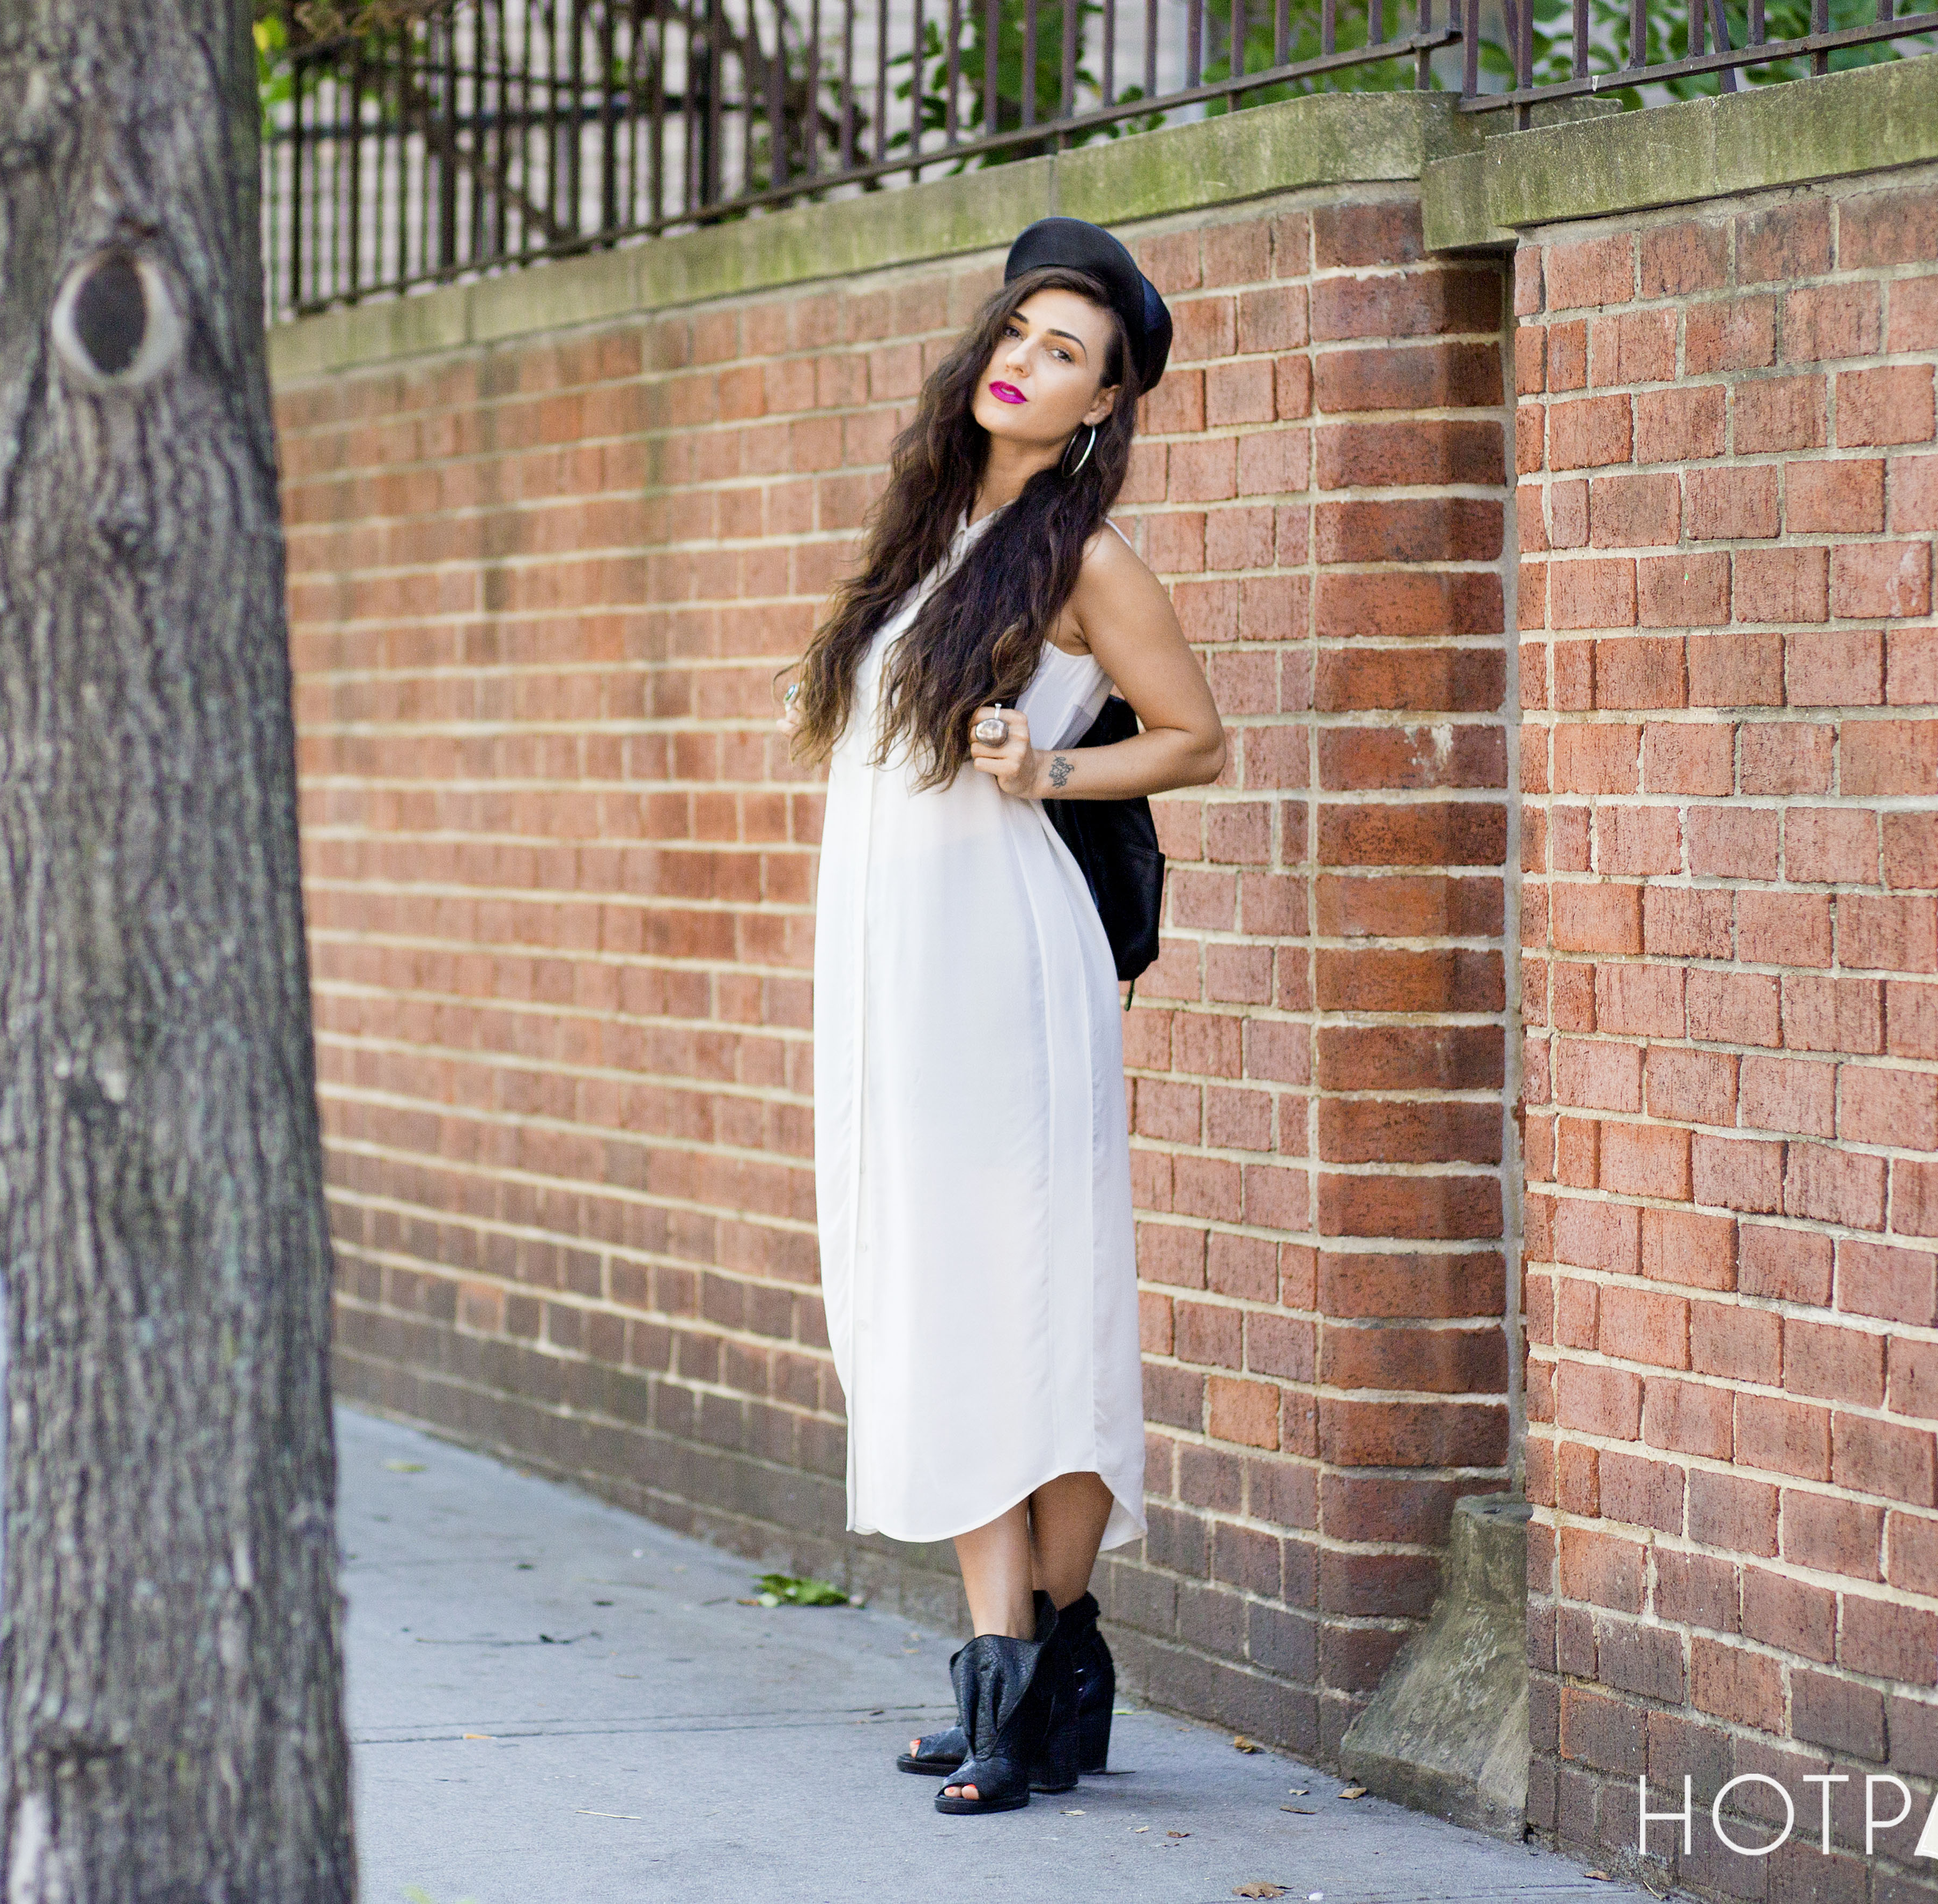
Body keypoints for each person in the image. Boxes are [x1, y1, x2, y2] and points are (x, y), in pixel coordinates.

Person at [776, 218, 1226, 1816]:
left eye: (1064, 354)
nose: (1021, 363)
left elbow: (1194, 737)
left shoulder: (1088, 556)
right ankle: (1038, 1674)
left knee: (1031, 1307)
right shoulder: (928, 536)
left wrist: (1057, 767)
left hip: (1009, 970)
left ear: (1102, 406)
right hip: (902, 967)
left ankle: (1009, 1690)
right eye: (1017, 331)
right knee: (949, 1295)